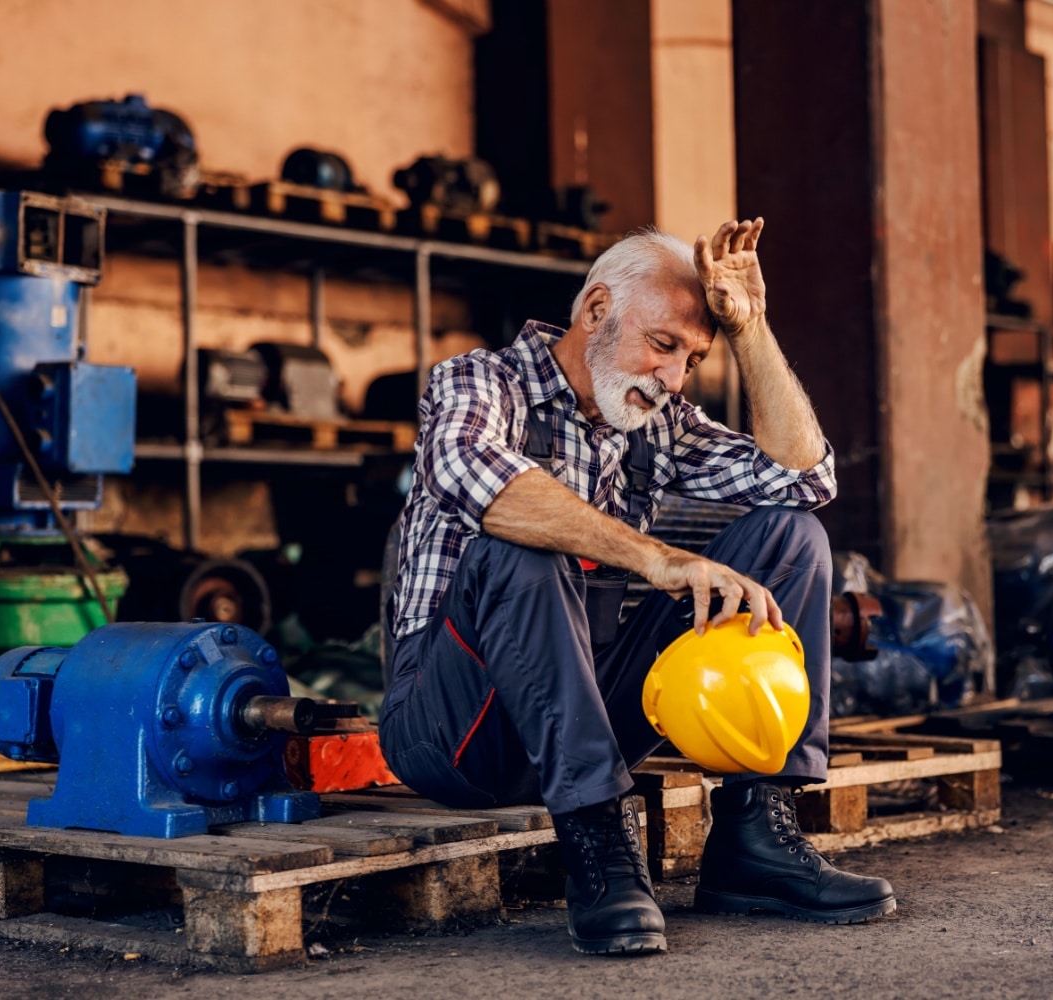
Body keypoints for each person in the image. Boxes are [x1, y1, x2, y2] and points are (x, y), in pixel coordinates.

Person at [379, 219, 896, 956]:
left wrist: (749, 329)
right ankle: (601, 845)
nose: (675, 378)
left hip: (584, 707)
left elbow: (806, 478)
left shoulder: (660, 421)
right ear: (595, 311)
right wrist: (659, 559)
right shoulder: (481, 380)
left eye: (693, 357)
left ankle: (757, 837)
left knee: (790, 536)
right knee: (521, 548)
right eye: (663, 346)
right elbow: (477, 477)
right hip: (457, 727)